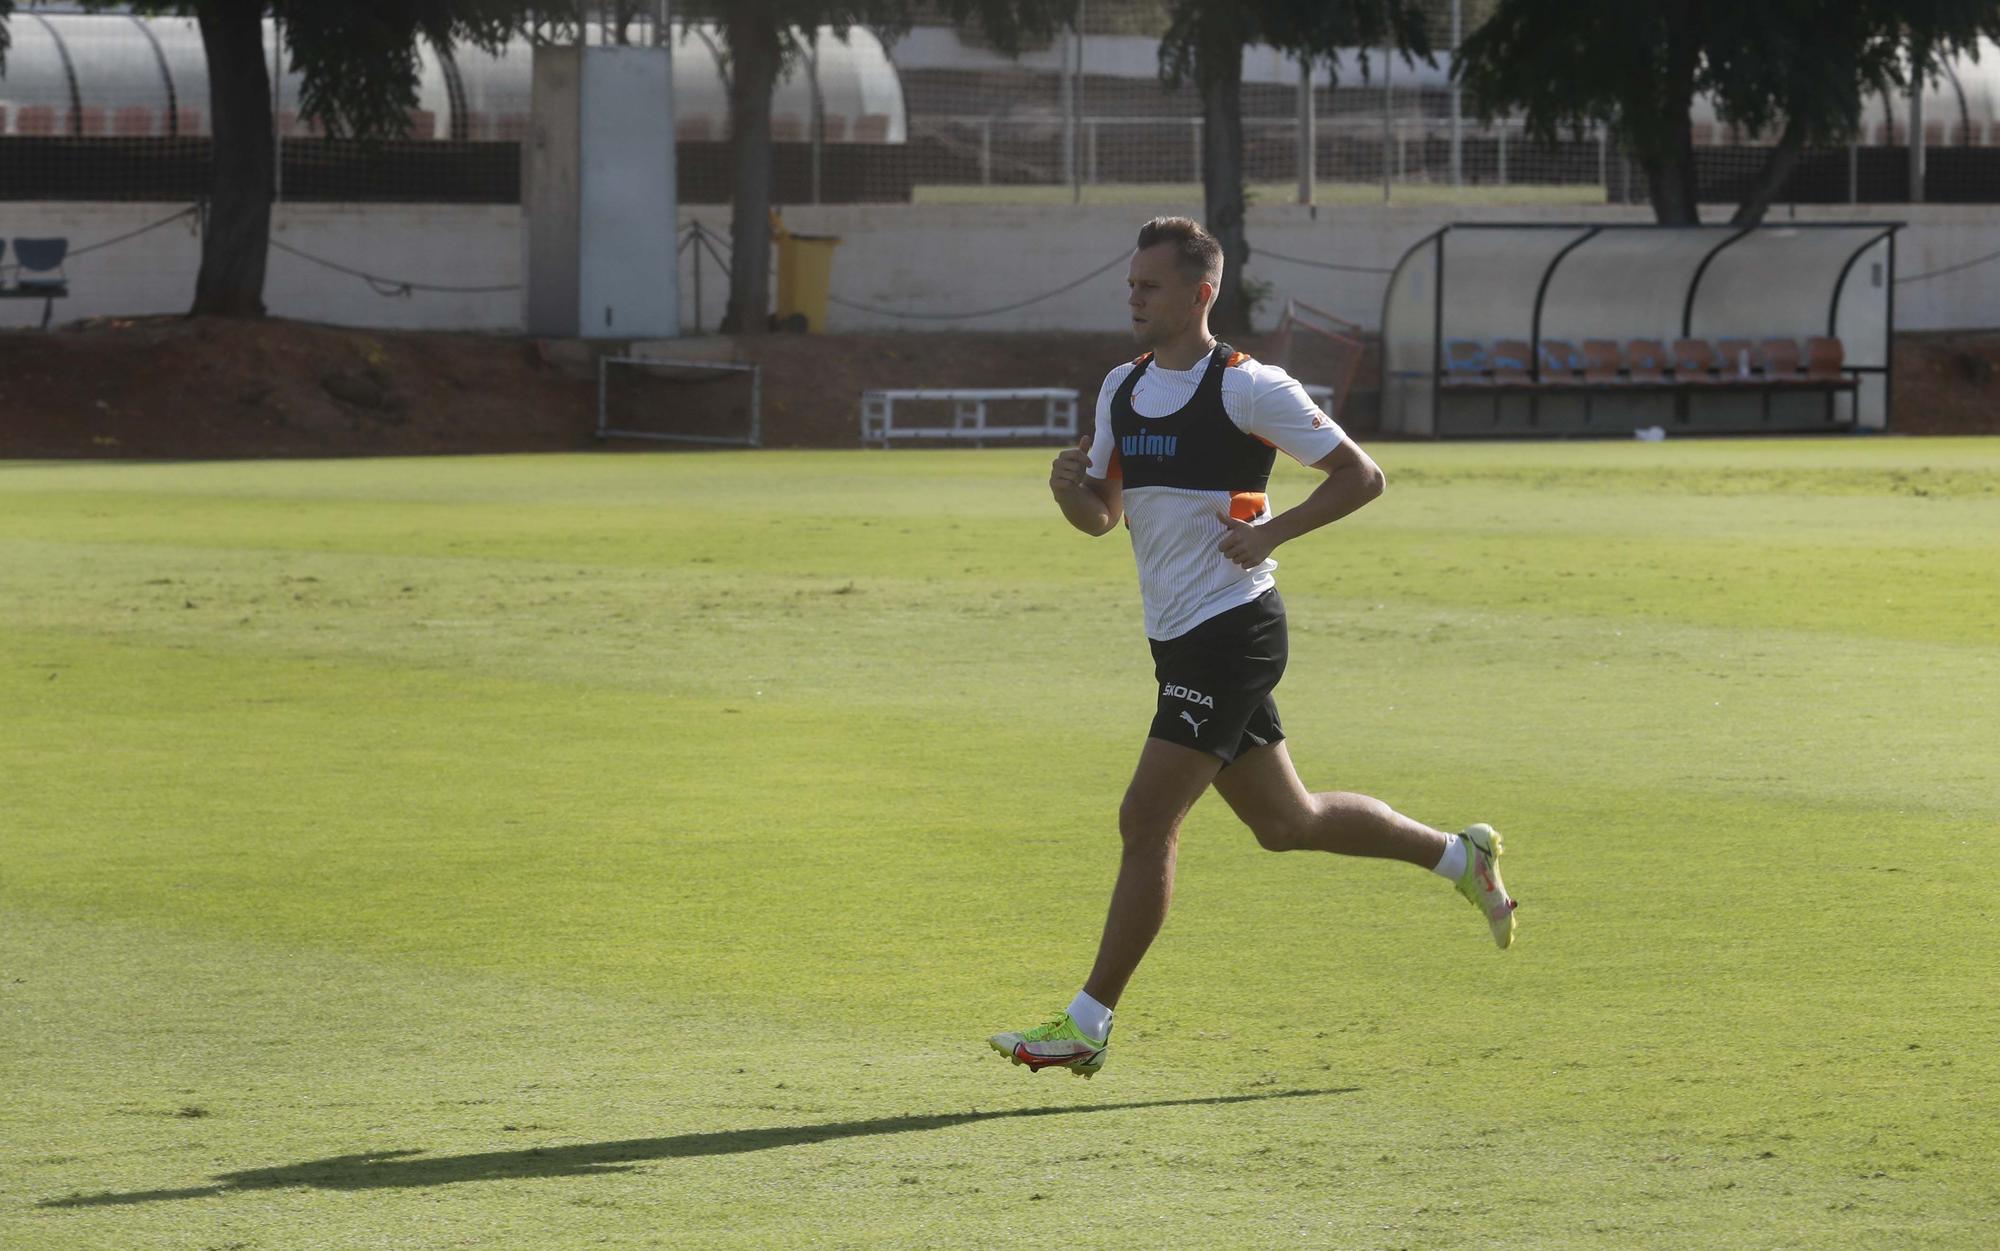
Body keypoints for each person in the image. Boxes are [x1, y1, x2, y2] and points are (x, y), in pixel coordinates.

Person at [989, 217, 1517, 1080]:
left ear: (1201, 294)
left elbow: (1361, 476)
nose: (1133, 296)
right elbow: (1103, 516)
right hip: (1177, 638)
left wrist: (1273, 533)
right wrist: (1067, 495)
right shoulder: (1119, 389)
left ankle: (1086, 1023)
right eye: (1130, 283)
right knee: (1286, 822)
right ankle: (1462, 854)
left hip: (1232, 634)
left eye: (1149, 285)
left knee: (1146, 818)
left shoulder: (1249, 388)